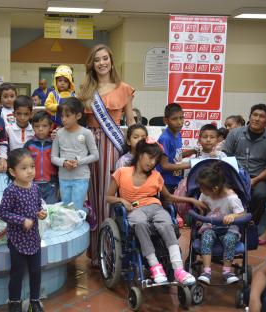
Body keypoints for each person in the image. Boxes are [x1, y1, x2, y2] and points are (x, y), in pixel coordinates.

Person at [106, 138, 204, 285]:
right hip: (134, 209)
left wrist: (191, 200)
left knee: (166, 224)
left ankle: (179, 269)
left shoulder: (156, 176)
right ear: (140, 154)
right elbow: (108, 197)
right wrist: (122, 200)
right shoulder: (122, 172)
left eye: (155, 160)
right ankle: (155, 266)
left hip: (155, 207)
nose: (152, 162)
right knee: (139, 224)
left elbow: (169, 197)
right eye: (150, 157)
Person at [78, 44, 135, 264]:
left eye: (105, 59)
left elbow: (130, 123)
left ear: (111, 61)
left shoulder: (124, 88)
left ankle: (112, 250)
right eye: (97, 60)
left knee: (108, 196)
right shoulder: (85, 89)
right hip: (88, 146)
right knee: (92, 196)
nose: (101, 63)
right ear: (91, 64)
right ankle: (95, 251)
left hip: (113, 146)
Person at [0, 148, 47, 312]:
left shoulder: (35, 188)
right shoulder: (11, 191)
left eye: (32, 167)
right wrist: (21, 220)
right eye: (24, 168)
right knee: (17, 273)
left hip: (33, 238)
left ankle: (35, 300)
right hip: (17, 240)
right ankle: (14, 303)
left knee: (35, 271)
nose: (30, 171)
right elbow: (2, 213)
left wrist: (41, 214)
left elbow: (38, 206)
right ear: (12, 171)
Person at [222, 104, 266, 224]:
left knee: (261, 195)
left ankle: (251, 223)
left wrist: (255, 180)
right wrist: (234, 176)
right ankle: (226, 223)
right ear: (250, 116)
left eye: (261, 116)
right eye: (254, 115)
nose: (257, 119)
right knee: (221, 190)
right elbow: (225, 155)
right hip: (233, 175)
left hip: (257, 178)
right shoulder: (235, 134)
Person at [195, 162, 245, 285]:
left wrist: (233, 215)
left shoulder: (231, 198)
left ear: (215, 189)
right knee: (206, 237)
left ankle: (227, 271)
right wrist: (200, 215)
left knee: (229, 240)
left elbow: (243, 213)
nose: (201, 191)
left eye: (203, 189)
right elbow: (203, 207)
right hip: (210, 225)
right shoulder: (205, 194)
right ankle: (206, 271)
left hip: (228, 228)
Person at [51, 97, 99, 211]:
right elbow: (53, 157)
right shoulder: (59, 133)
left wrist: (79, 161)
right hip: (63, 177)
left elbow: (95, 155)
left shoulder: (86, 133)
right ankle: (81, 217)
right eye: (62, 116)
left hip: (81, 177)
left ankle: (85, 215)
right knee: (66, 208)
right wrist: (64, 163)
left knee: (76, 208)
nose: (64, 119)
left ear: (78, 116)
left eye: (67, 116)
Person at [157, 103, 197, 193]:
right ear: (166, 120)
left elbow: (175, 156)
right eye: (174, 119)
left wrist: (192, 151)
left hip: (176, 179)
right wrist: (190, 165)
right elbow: (164, 165)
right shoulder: (165, 138)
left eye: (181, 118)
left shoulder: (178, 133)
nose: (179, 122)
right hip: (166, 182)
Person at [24, 111, 58, 204]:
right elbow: (23, 165)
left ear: (51, 127)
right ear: (32, 127)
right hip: (33, 184)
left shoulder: (54, 143)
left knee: (52, 209)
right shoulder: (29, 145)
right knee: (35, 210)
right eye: (37, 126)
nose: (40, 129)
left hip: (51, 185)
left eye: (44, 126)